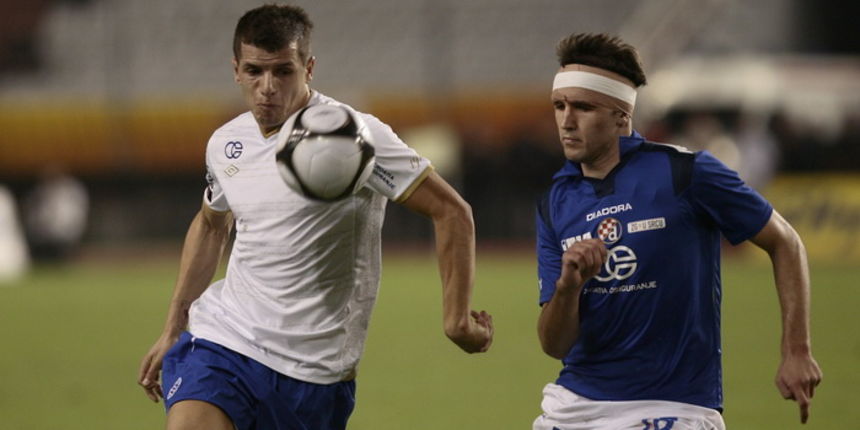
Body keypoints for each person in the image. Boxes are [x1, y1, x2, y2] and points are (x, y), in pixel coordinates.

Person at [137, 5, 493, 430]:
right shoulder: (226, 142)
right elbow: (212, 225)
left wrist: (456, 318)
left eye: (283, 71)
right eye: (254, 71)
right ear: (236, 71)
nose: (267, 87)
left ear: (308, 68)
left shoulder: (355, 137)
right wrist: (174, 326)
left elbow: (452, 211)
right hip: (224, 339)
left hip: (312, 372)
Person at [533, 33, 821, 429]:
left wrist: (797, 349)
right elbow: (554, 345)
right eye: (559, 105)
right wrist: (568, 286)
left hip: (672, 405)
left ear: (621, 115)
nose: (567, 121)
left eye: (583, 107)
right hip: (574, 405)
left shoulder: (686, 172)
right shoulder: (555, 202)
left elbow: (785, 241)